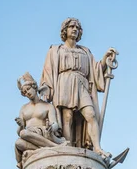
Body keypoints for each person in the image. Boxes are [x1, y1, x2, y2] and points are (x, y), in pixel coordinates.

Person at [39, 18, 116, 158]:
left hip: (82, 84)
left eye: (77, 28)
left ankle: (97, 148)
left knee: (90, 114)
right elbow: (48, 71)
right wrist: (46, 87)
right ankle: (68, 146)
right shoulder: (56, 50)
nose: (75, 29)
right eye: (71, 26)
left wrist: (105, 59)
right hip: (64, 81)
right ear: (65, 30)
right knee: (67, 116)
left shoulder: (85, 52)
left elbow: (96, 69)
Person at [15, 72, 67, 169]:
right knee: (18, 143)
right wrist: (21, 125)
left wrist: (52, 127)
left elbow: (55, 123)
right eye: (25, 92)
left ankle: (52, 145)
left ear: (34, 87)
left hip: (43, 133)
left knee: (23, 134)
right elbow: (19, 131)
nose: (27, 93)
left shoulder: (48, 106)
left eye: (28, 89)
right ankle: (53, 147)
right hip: (30, 135)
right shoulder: (24, 108)